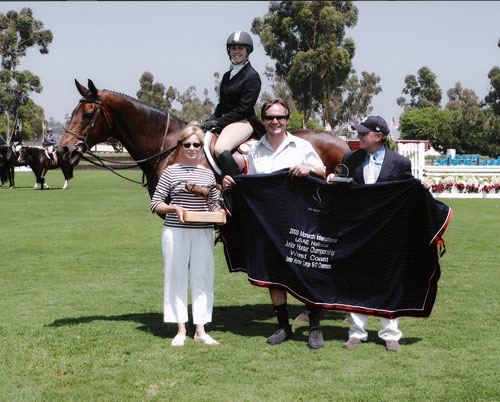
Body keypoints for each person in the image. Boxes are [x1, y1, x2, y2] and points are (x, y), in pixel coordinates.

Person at [222, 99, 327, 349]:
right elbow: (250, 183)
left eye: (279, 117)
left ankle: (314, 327)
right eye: (269, 118)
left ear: (287, 120)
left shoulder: (301, 146)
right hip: (268, 223)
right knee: (274, 275)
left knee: (305, 271)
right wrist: (231, 183)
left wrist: (307, 169)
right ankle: (283, 326)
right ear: (264, 120)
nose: (275, 122)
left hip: (299, 220)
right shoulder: (255, 149)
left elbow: (322, 171)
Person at [328, 115, 413, 353]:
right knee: (356, 281)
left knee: (389, 282)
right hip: (357, 233)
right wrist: (333, 182)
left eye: (364, 133)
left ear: (379, 136)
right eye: (359, 132)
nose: (359, 136)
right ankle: (356, 333)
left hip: (388, 234)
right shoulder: (350, 159)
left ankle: (390, 335)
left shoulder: (400, 163)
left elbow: (405, 196)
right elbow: (344, 194)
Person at [150, 124, 222, 347]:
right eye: (187, 144)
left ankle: (200, 329)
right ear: (180, 146)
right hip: (175, 231)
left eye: (196, 145)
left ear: (201, 147)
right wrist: (174, 209)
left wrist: (218, 209)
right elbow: (155, 204)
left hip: (202, 232)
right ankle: (180, 328)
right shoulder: (170, 171)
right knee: (176, 277)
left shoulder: (208, 173)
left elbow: (213, 203)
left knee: (202, 277)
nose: (192, 148)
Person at [200, 30, 265, 178]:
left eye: (240, 48)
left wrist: (218, 122)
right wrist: (209, 120)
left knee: (220, 148)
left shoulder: (252, 76)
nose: (236, 52)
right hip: (227, 121)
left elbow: (244, 109)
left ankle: (240, 185)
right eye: (233, 48)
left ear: (248, 51)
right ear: (229, 51)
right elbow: (222, 105)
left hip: (244, 122)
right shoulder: (227, 76)